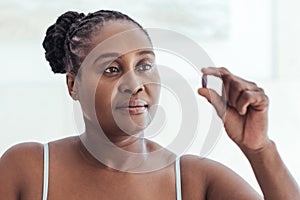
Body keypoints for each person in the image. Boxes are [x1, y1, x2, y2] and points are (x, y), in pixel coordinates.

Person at [0, 10, 299, 200]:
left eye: (144, 65)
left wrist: (260, 151)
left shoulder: (195, 181)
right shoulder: (28, 169)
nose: (135, 83)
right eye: (112, 69)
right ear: (73, 85)